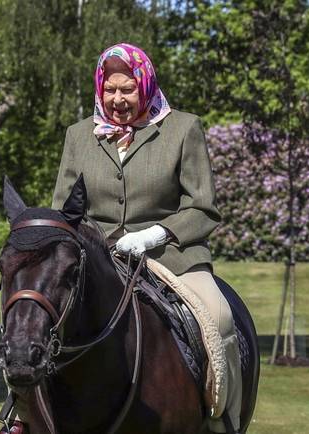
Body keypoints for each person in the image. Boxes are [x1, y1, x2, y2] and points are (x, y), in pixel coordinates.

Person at [51, 42, 242, 433]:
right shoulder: (78, 136)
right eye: (111, 89)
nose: (118, 99)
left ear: (146, 83)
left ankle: (224, 419)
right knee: (33, 320)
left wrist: (156, 233)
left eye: (128, 89)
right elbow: (64, 210)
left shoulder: (183, 128)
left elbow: (203, 208)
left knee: (220, 318)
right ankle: (21, 415)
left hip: (172, 254)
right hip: (96, 257)